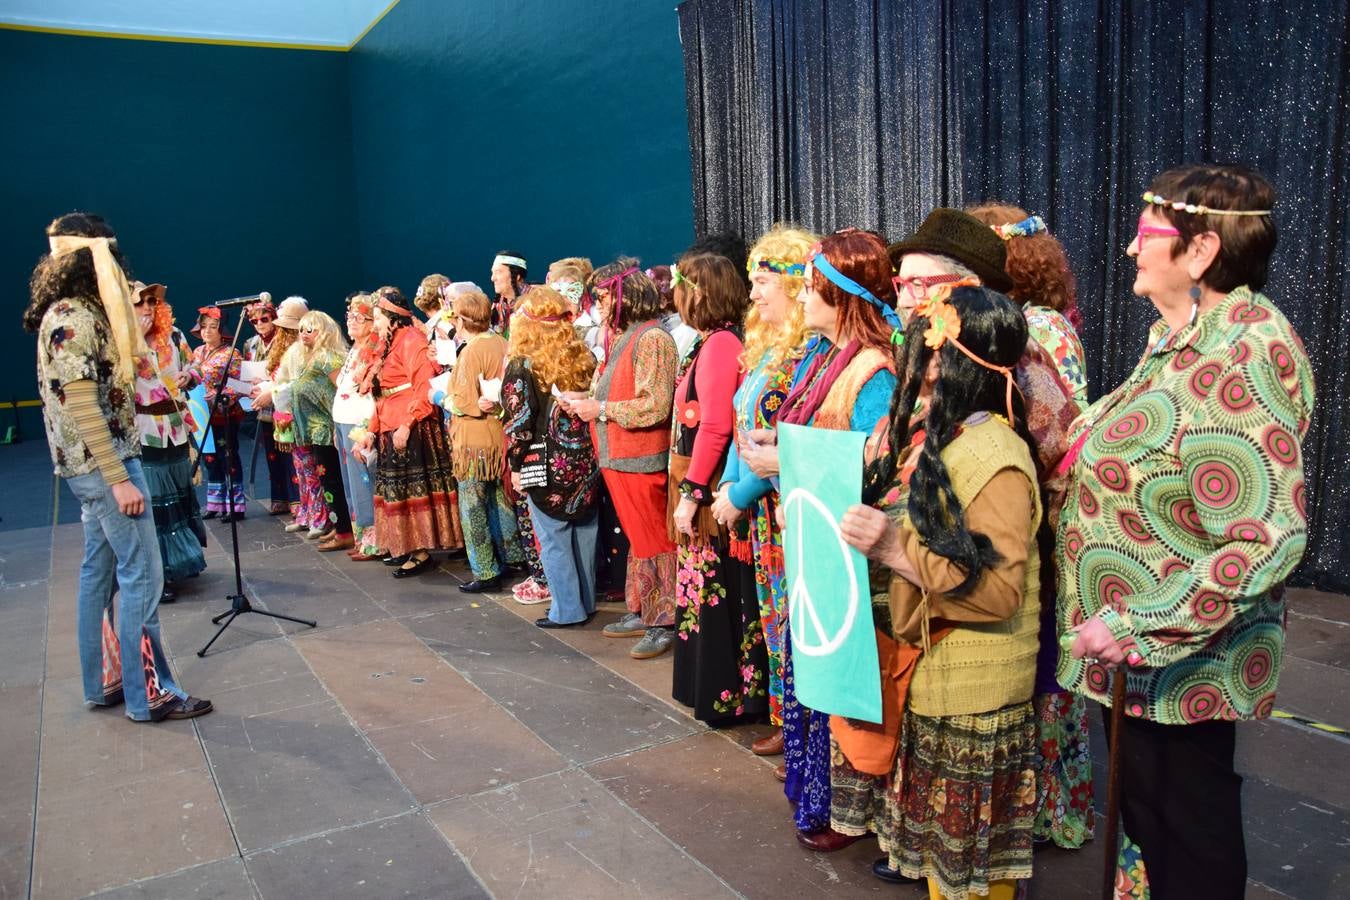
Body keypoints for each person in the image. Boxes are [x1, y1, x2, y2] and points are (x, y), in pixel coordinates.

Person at [1058, 164, 1314, 900]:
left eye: (1147, 237)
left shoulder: (1242, 353)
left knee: (1189, 837)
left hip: (1182, 664)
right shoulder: (1178, 340)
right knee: (1151, 822)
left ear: (1200, 253)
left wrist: (1145, 622)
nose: (1132, 251)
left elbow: (1266, 535)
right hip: (1138, 666)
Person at [844, 284, 1044, 900]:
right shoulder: (959, 438)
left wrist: (896, 551)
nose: (919, 367)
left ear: (951, 362)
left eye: (930, 353)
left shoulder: (998, 458)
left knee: (972, 878)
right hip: (943, 677)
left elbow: (1001, 593)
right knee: (948, 872)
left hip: (976, 689)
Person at [738, 229, 899, 847]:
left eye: (813, 287)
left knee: (843, 677)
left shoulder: (873, 369)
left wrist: (789, 461)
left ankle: (846, 809)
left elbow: (875, 461)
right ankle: (818, 799)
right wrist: (781, 447)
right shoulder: (818, 356)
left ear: (843, 293)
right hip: (813, 538)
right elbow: (818, 435)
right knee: (815, 670)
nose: (802, 297)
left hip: (845, 548)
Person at [23, 212, 211, 721]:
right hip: (105, 467)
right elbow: (82, 401)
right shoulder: (76, 317)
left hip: (88, 468)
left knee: (98, 572)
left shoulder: (65, 312)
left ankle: (105, 680)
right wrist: (118, 476)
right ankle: (149, 693)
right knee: (142, 576)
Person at [965, 203, 1094, 852]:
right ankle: (1050, 804)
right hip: (1042, 509)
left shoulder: (1034, 328)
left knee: (1046, 667)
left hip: (1040, 513)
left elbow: (1053, 432)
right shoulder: (1047, 322)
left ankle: (1048, 809)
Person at [711, 224, 816, 754]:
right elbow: (742, 427)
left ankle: (797, 724)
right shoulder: (767, 352)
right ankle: (785, 717)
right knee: (774, 613)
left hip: (784, 504)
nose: (752, 294)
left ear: (795, 286)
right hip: (762, 506)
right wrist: (731, 482)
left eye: (762, 282)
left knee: (793, 616)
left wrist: (738, 493)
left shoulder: (804, 356)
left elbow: (788, 438)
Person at [666, 253, 768, 724]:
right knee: (704, 588)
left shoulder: (721, 345)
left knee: (715, 589)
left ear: (698, 293)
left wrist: (691, 495)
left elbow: (713, 428)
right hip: (701, 481)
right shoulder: (712, 343)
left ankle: (728, 695)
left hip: (704, 488)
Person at [563, 260, 679, 660]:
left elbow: (656, 406)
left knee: (655, 541)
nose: (600, 303)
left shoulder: (652, 339)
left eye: (605, 295)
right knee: (639, 540)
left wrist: (602, 409)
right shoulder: (628, 336)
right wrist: (587, 402)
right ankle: (644, 608)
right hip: (620, 457)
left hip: (641, 458)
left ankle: (664, 620)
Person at [502, 287, 601, 627]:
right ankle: (586, 603)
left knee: (553, 537)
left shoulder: (521, 365)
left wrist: (515, 467)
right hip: (586, 459)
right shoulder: (584, 356)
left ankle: (567, 610)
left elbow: (519, 425)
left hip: (542, 461)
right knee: (585, 531)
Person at [361, 286, 464, 577]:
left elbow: (423, 386)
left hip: (410, 425)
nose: (376, 323)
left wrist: (408, 423)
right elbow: (381, 395)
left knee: (411, 490)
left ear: (393, 317)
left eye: (379, 317)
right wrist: (372, 430)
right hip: (391, 422)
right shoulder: (389, 344)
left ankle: (420, 550)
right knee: (398, 492)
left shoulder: (411, 340)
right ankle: (407, 545)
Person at [436, 289, 523, 591]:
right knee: (501, 500)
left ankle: (485, 570)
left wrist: (437, 396)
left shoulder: (471, 351)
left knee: (473, 507)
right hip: (498, 437)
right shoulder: (502, 342)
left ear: (461, 319)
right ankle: (513, 557)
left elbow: (463, 402)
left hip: (473, 442)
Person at [131, 281, 206, 597]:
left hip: (175, 426)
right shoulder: (122, 342)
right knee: (156, 504)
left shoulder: (174, 335)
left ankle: (182, 563)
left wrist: (189, 376)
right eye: (140, 302)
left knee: (179, 492)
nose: (148, 307)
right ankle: (159, 574)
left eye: (152, 301)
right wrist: (134, 338)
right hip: (144, 430)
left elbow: (195, 366)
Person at [287, 310, 354, 551]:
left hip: (326, 428)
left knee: (333, 481)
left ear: (324, 332)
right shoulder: (313, 357)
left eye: (310, 330)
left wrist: (338, 426)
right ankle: (340, 526)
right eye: (301, 330)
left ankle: (345, 530)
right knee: (327, 481)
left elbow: (342, 391)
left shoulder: (328, 358)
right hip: (316, 431)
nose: (304, 335)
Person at [332, 293, 384, 560]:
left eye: (358, 317)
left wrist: (365, 429)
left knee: (365, 482)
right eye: (349, 316)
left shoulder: (375, 351)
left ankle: (376, 540)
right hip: (343, 422)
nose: (351, 321)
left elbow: (373, 396)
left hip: (359, 424)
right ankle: (363, 538)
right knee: (351, 483)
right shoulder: (354, 350)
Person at [188, 307, 245, 521]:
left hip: (224, 413)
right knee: (209, 458)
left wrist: (221, 397)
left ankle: (235, 505)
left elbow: (239, 384)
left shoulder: (232, 353)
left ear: (221, 330)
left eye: (213, 327)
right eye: (204, 327)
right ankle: (215, 503)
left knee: (228, 456)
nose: (207, 331)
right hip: (202, 413)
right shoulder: (197, 353)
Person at [243, 296, 294, 516]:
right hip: (263, 407)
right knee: (271, 454)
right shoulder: (251, 344)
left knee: (287, 452)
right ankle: (279, 497)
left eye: (264, 319)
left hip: (283, 404)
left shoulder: (284, 340)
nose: (260, 324)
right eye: (255, 321)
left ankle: (296, 499)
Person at [489, 250, 529, 333]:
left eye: (498, 272)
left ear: (517, 276)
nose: (492, 278)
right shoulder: (498, 304)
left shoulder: (536, 301)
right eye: (492, 273)